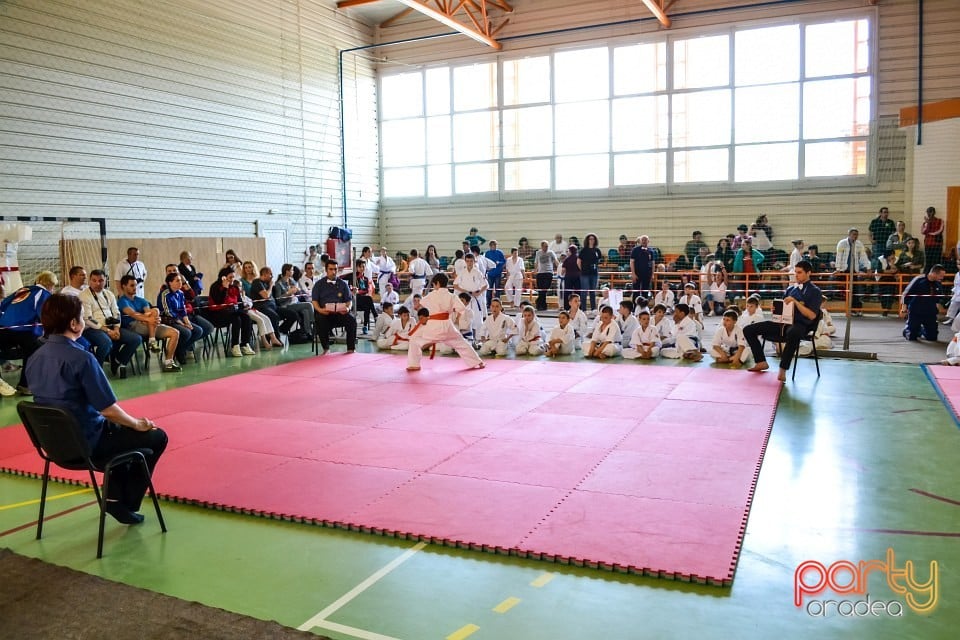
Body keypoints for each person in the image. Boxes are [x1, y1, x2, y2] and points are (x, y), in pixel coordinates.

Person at [26, 293, 167, 525]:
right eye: (82, 316)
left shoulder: (34, 358)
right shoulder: (81, 358)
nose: (83, 320)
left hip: (53, 445)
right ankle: (123, 503)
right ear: (74, 323)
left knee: (130, 443)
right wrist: (137, 423)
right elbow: (108, 409)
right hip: (88, 443)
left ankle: (115, 498)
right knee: (155, 437)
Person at [743, 260, 822, 382]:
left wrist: (795, 302)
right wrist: (775, 308)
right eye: (795, 272)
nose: (796, 275)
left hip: (800, 325)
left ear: (808, 273)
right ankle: (761, 361)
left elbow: (812, 315)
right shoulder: (791, 289)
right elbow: (783, 309)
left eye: (799, 272)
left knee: (793, 333)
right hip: (783, 323)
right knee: (748, 329)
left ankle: (782, 369)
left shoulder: (815, 291)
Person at [406, 272, 483, 371]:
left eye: (433, 285)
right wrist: (451, 310)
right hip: (448, 325)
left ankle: (414, 364)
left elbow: (419, 305)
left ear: (437, 283)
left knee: (414, 338)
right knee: (461, 343)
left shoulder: (431, 295)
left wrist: (419, 306)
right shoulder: (452, 296)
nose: (434, 287)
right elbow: (462, 308)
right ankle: (477, 362)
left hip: (433, 326)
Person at [0, 271, 57, 394]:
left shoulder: (22, 290)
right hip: (22, 330)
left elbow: (3, 304)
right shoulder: (44, 293)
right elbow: (43, 314)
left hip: (3, 328)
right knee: (34, 349)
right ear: (51, 284)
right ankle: (25, 385)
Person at [80, 270, 142, 377]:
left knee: (136, 339)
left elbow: (116, 313)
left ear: (105, 281)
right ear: (90, 281)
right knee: (106, 342)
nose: (97, 283)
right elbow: (88, 318)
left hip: (112, 326)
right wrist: (107, 330)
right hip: (92, 329)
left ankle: (118, 361)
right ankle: (97, 371)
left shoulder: (109, 294)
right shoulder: (84, 295)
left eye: (101, 280)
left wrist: (117, 329)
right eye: (94, 281)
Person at [117, 275, 182, 372]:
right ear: (124, 286)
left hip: (149, 325)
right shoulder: (122, 301)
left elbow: (149, 312)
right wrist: (149, 319)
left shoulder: (141, 300)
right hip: (133, 325)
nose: (135, 288)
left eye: (135, 285)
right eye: (131, 285)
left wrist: (152, 318)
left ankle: (168, 362)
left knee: (175, 332)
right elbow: (132, 314)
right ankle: (152, 341)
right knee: (152, 315)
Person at [206, 268, 255, 357]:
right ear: (223, 278)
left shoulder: (235, 287)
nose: (232, 279)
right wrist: (225, 288)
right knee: (236, 319)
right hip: (218, 314)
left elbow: (239, 303)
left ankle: (245, 344)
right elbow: (218, 301)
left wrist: (244, 308)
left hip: (232, 312)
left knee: (246, 317)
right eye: (230, 277)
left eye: (233, 277)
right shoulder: (215, 286)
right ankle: (234, 345)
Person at [311, 259, 357, 355]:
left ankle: (351, 348)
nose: (333, 272)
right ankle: (326, 348)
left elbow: (349, 301)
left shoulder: (343, 284)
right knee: (319, 319)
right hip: (325, 313)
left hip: (340, 313)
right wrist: (320, 310)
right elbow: (314, 301)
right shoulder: (319, 285)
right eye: (331, 269)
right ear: (326, 270)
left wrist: (348, 308)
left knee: (352, 320)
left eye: (335, 269)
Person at [158, 273, 204, 363]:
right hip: (169, 319)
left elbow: (183, 310)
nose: (180, 283)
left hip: (180, 319)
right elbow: (168, 312)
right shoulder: (165, 294)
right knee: (187, 332)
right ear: (170, 283)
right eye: (177, 281)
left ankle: (180, 349)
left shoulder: (181, 293)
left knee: (198, 330)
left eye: (181, 280)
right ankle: (179, 351)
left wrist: (188, 323)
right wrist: (182, 324)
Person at [900, 265, 946, 342]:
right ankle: (909, 330)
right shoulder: (919, 279)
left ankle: (921, 330)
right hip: (916, 311)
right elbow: (906, 294)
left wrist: (937, 308)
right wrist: (903, 309)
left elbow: (938, 298)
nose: (942, 278)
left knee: (932, 337)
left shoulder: (938, 283)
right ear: (934, 273)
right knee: (912, 337)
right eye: (941, 276)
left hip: (930, 312)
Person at [834, 228, 873, 316]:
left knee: (854, 291)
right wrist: (837, 268)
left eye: (856, 234)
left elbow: (863, 256)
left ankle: (855, 309)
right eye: (853, 234)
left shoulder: (859, 244)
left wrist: (868, 268)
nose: (855, 236)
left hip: (854, 271)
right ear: (849, 234)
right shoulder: (842, 243)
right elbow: (839, 256)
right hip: (844, 271)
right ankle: (850, 309)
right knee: (847, 291)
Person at [273, 263, 314, 337]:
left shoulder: (292, 280)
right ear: (287, 271)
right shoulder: (278, 284)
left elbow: (299, 292)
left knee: (305, 311)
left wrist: (297, 290)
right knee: (309, 305)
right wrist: (288, 293)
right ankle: (314, 324)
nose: (293, 272)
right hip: (287, 305)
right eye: (292, 270)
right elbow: (278, 300)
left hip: (295, 302)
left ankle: (308, 332)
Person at [578, 234, 602, 312]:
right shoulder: (583, 250)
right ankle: (583, 309)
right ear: (587, 240)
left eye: (593, 239)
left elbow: (599, 261)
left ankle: (593, 308)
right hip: (585, 274)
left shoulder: (597, 250)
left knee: (593, 291)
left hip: (594, 273)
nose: (592, 240)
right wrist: (582, 270)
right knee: (584, 291)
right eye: (590, 239)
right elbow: (578, 261)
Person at [532, 241, 559, 311]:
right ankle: (542, 305)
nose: (546, 248)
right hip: (540, 273)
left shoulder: (551, 253)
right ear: (542, 246)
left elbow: (556, 261)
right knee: (541, 290)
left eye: (547, 246)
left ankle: (539, 302)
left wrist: (559, 268)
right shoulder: (538, 253)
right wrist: (535, 270)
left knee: (545, 288)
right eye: (545, 246)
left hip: (548, 272)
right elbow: (536, 262)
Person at [921, 206, 944, 273]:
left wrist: (929, 233)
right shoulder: (925, 222)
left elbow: (940, 231)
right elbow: (923, 232)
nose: (929, 213)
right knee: (928, 262)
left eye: (931, 211)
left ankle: (937, 275)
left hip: (937, 245)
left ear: (934, 212)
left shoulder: (940, 220)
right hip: (928, 245)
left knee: (937, 261)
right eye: (928, 212)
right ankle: (928, 276)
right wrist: (928, 223)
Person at [559, 245, 581, 311]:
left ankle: (567, 307)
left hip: (568, 277)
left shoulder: (567, 260)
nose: (567, 252)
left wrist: (561, 274)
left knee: (567, 292)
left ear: (570, 251)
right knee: (578, 292)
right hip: (578, 277)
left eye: (568, 251)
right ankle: (579, 307)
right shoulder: (578, 258)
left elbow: (563, 270)